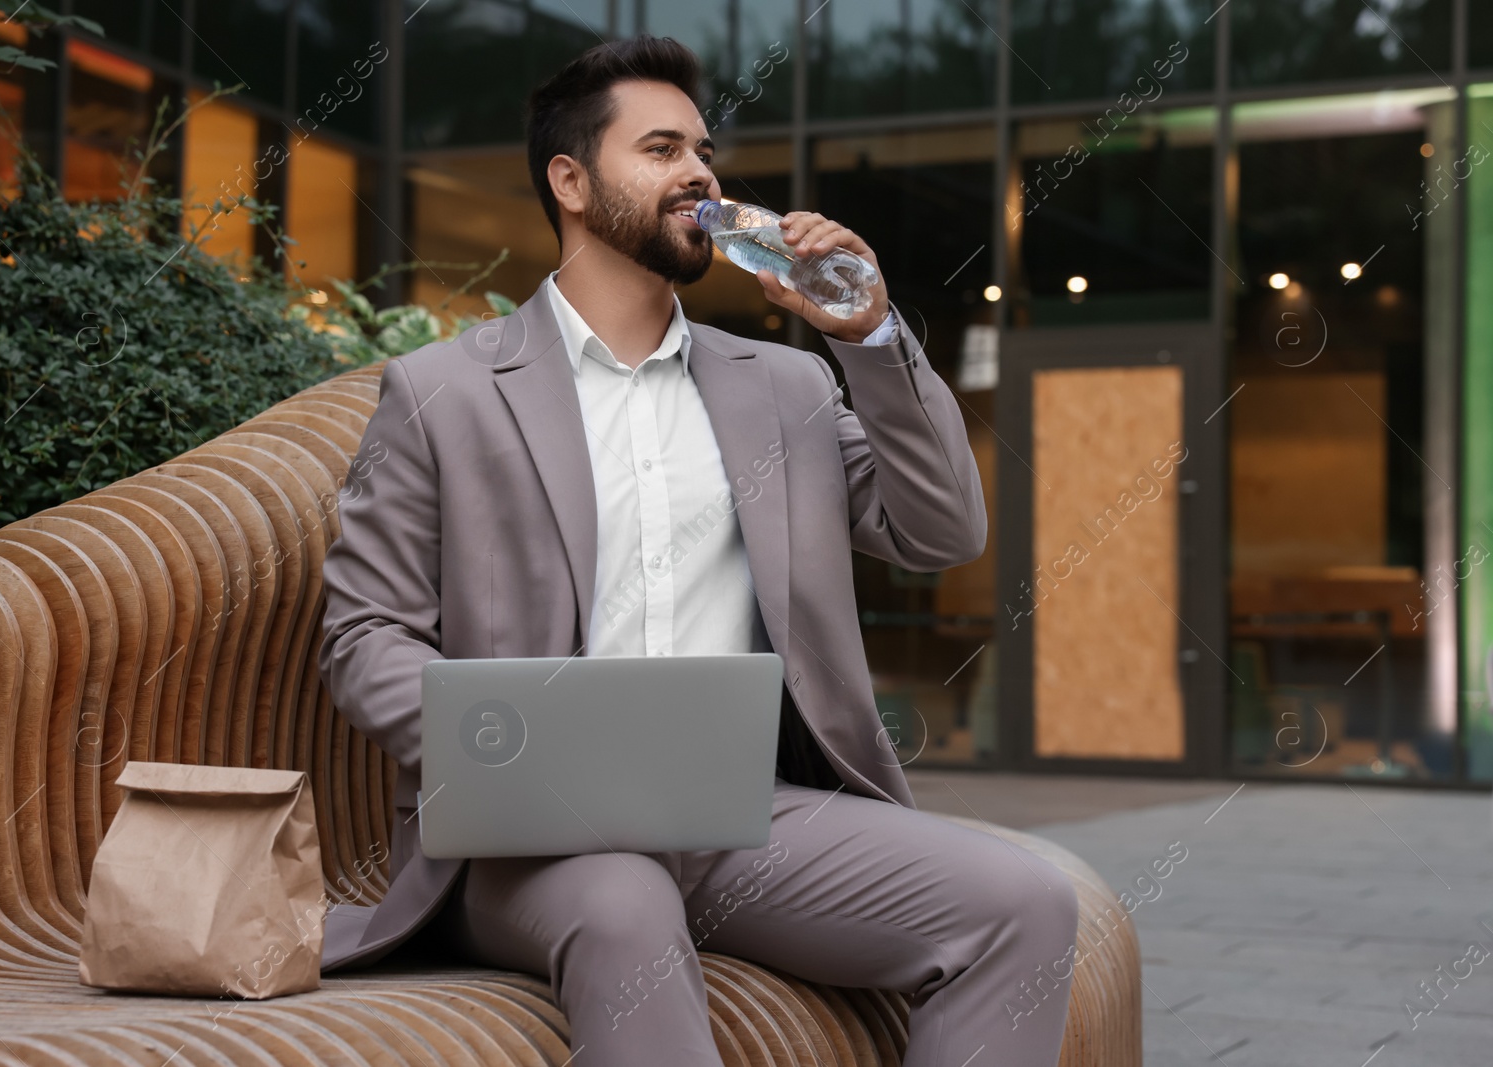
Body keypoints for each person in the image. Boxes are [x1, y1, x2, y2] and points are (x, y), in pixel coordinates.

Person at [316, 33, 1080, 1067]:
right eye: (662, 149)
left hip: (747, 816)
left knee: (1024, 901)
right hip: (534, 836)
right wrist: (508, 745)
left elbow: (942, 528)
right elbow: (366, 633)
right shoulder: (444, 393)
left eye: (703, 151)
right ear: (571, 181)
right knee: (625, 905)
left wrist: (867, 338)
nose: (700, 174)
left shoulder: (785, 387)